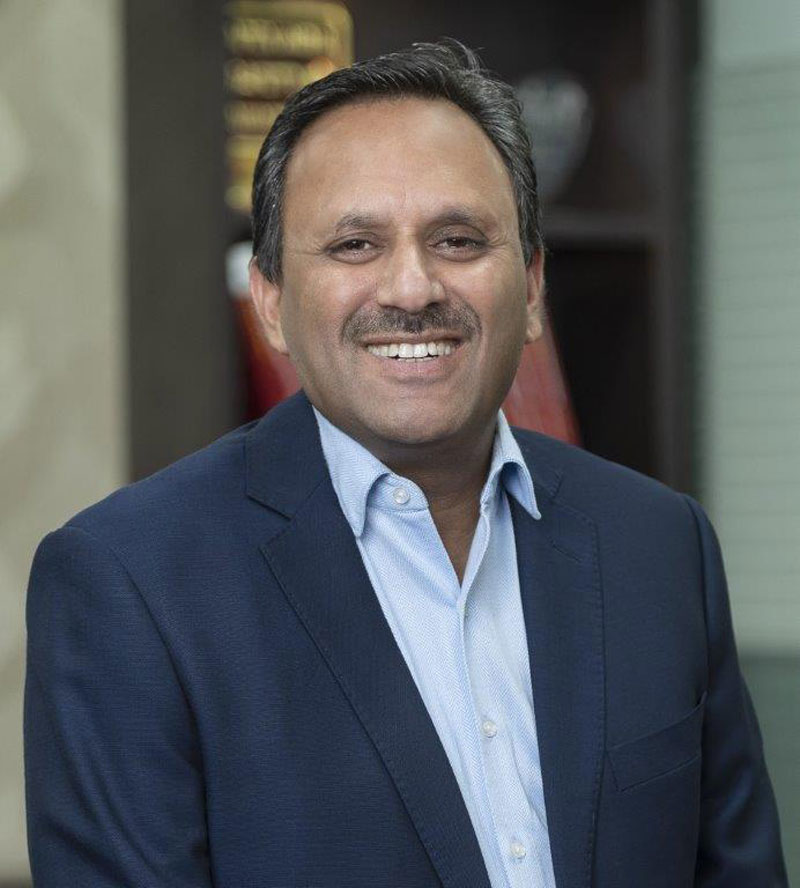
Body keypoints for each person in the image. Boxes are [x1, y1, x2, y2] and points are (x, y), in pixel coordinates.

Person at [24, 41, 786, 888]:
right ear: (271, 300)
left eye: (458, 240)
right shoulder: (130, 582)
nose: (413, 288)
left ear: (533, 286)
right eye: (355, 245)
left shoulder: (660, 544)